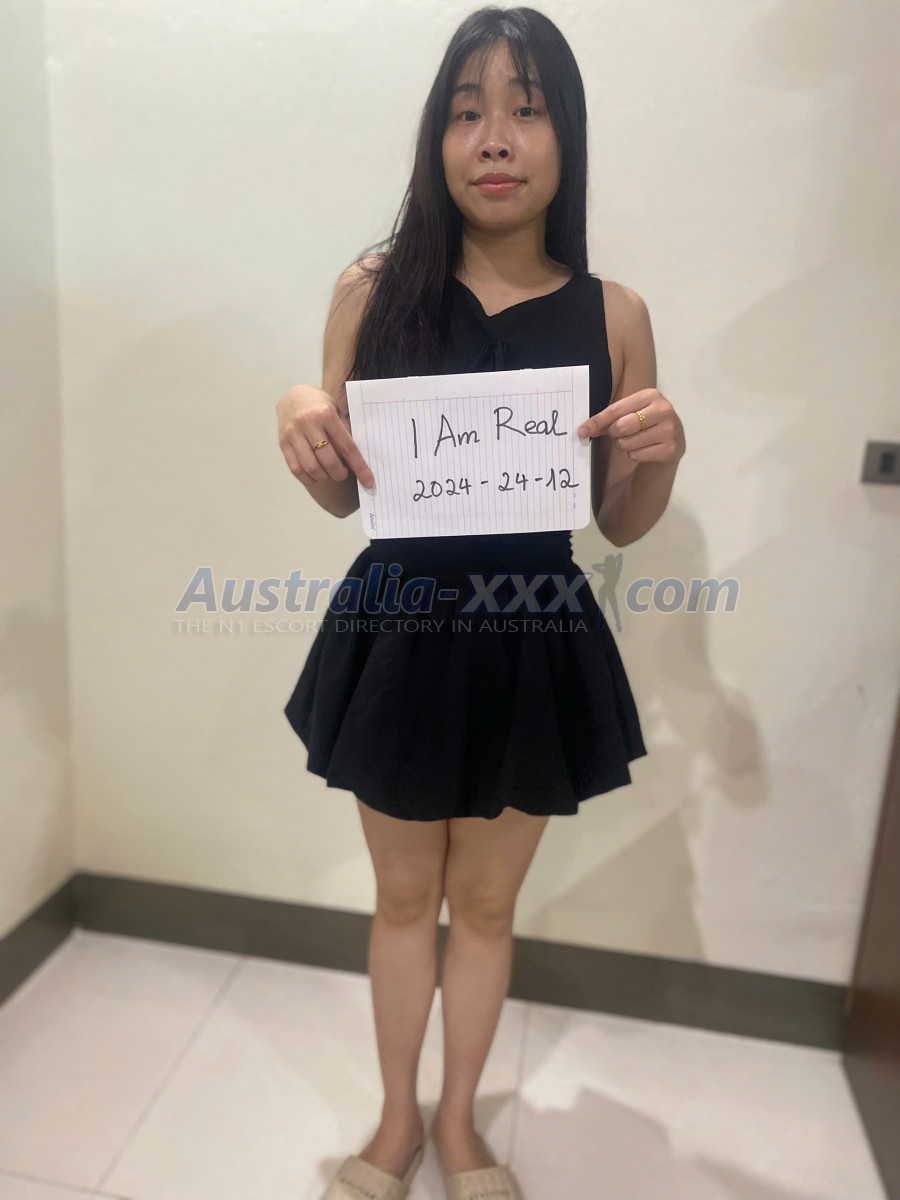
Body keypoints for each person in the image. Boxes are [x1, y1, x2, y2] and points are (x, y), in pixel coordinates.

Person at [276, 8, 686, 1199]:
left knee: (490, 903)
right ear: (437, 136)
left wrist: (661, 453)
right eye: (468, 111)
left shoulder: (615, 315)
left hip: (532, 634)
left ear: (567, 137)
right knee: (405, 895)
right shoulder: (372, 289)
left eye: (526, 108)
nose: (495, 137)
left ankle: (459, 1126)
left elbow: (620, 522)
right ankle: (395, 1124)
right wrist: (297, 417)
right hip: (399, 626)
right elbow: (340, 494)